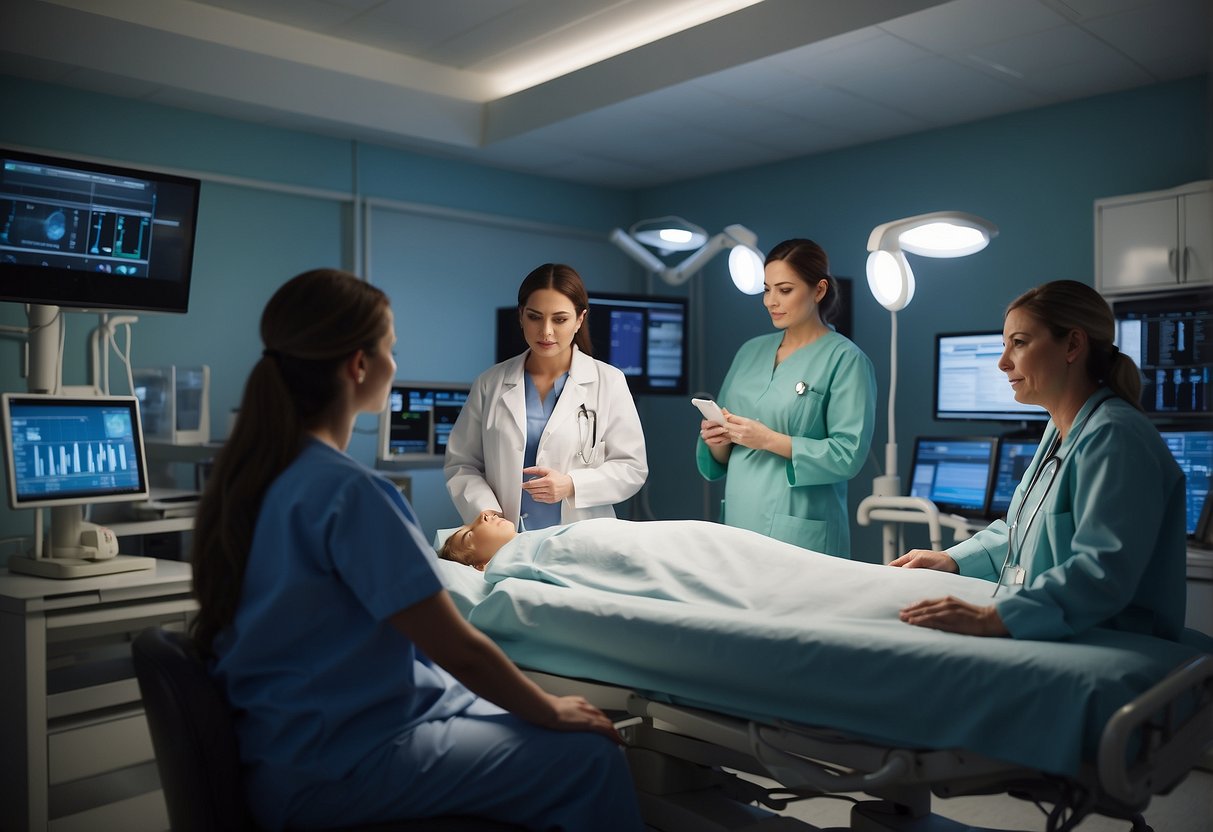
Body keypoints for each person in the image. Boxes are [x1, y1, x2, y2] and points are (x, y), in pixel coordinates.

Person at [190, 269, 643, 832]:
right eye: (391, 349)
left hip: (289, 743)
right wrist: (550, 708)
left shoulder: (258, 477)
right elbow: (461, 651)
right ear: (360, 365)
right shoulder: (353, 494)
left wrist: (572, 486)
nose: (395, 364)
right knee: (592, 757)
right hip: (344, 760)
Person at [893, 279, 1187, 641]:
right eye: (1004, 346)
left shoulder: (1114, 436)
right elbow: (1022, 529)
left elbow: (1100, 572)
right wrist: (955, 559)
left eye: (1018, 343)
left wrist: (996, 618)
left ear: (1073, 345)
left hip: (1114, 640)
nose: (1002, 363)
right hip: (1059, 625)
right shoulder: (1059, 429)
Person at [696, 238, 876, 557]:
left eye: (785, 290)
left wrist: (767, 439)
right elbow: (724, 455)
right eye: (767, 289)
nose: (770, 301)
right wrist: (717, 438)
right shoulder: (750, 352)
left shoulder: (846, 360)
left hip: (801, 531)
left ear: (818, 290)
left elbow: (848, 455)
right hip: (739, 522)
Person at [445, 263, 647, 531]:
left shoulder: (608, 381)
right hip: (506, 540)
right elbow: (462, 464)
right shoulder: (490, 383)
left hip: (582, 539)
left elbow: (631, 468)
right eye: (535, 317)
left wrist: (572, 485)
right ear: (521, 316)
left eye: (560, 319)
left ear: (579, 319)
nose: (546, 331)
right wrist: (488, 513)